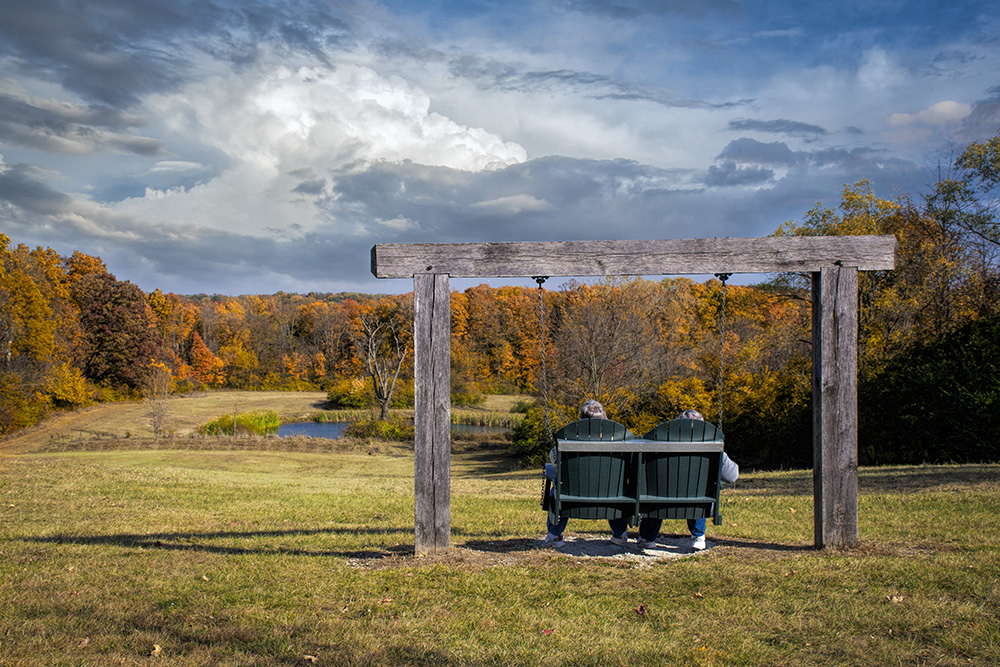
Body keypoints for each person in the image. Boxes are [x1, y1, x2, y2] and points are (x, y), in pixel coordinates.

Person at [615, 409, 738, 551]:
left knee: (654, 491)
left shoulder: (656, 448)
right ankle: (698, 537)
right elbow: (731, 476)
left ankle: (647, 538)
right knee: (699, 489)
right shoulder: (713, 450)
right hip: (697, 500)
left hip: (660, 500)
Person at [544, 400, 627, 547]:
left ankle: (554, 535)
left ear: (581, 420)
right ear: (605, 419)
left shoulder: (568, 442)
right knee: (618, 487)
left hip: (572, 495)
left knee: (557, 488)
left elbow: (555, 462)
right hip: (611, 494)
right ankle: (620, 534)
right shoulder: (619, 443)